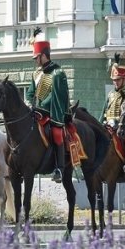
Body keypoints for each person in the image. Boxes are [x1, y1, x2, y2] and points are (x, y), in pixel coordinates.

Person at [25, 28, 71, 183]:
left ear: (43, 56)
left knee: (57, 133)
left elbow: (57, 96)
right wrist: (29, 102)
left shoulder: (57, 73)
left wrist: (41, 106)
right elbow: (30, 92)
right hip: (35, 112)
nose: (35, 60)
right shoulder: (36, 74)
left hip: (52, 113)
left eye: (37, 57)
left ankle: (59, 168)